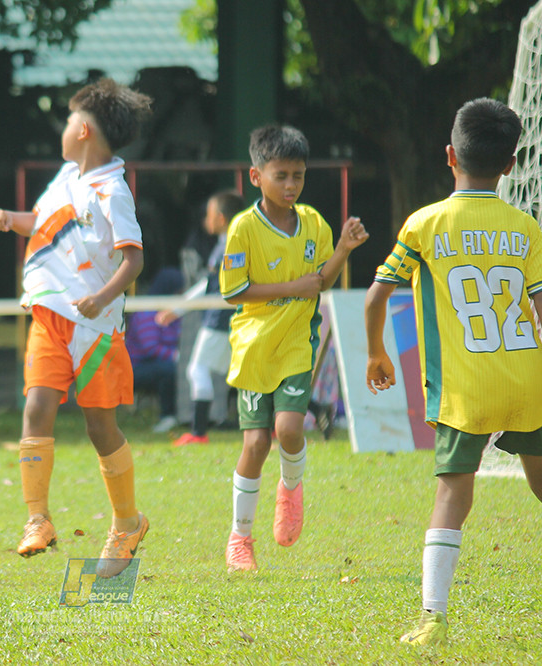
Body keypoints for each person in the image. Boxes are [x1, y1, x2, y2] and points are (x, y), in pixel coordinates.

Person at [365, 98, 542, 645]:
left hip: (463, 391)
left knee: (453, 495)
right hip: (521, 383)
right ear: (512, 165)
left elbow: (378, 295)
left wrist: (376, 351)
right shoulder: (521, 225)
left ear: (450, 155)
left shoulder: (425, 224)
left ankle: (433, 619)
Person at [0, 78, 151, 579]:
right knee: (36, 406)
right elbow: (39, 221)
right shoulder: (64, 178)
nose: (61, 130)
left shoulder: (112, 190)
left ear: (81, 129)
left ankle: (127, 523)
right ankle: (38, 519)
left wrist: (102, 296)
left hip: (95, 326)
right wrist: (8, 219)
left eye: (65, 122)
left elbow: (134, 259)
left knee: (100, 427)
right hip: (49, 315)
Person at [219, 125, 368, 573]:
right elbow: (235, 291)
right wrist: (292, 286)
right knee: (254, 443)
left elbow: (319, 278)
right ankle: (240, 538)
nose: (290, 185)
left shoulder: (314, 224)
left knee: (288, 429)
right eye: (280, 175)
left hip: (296, 343)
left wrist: (342, 247)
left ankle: (290, 492)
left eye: (298, 176)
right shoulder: (243, 228)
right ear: (255, 176)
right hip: (253, 346)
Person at [160, 190, 245, 447]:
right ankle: (314, 409)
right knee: (245, 376)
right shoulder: (233, 243)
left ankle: (198, 433)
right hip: (233, 319)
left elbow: (212, 286)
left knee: (197, 369)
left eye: (208, 215)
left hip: (218, 319)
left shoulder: (228, 246)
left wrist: (178, 308)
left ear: (220, 218)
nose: (205, 220)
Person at [126, 267, 184, 433]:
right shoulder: (146, 312)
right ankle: (168, 416)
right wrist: (176, 356)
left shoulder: (173, 313)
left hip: (159, 364)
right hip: (136, 369)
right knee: (169, 370)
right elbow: (150, 348)